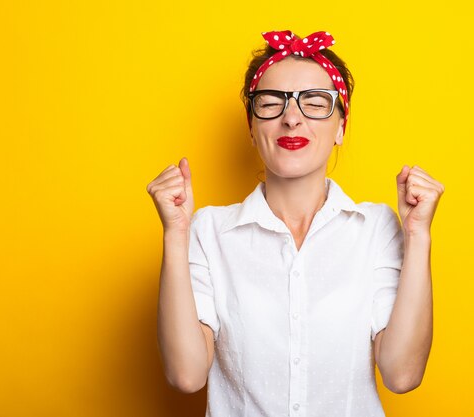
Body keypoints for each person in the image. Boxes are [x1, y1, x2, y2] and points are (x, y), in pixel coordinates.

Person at [146, 30, 444, 417]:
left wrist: (418, 234)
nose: (291, 118)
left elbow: (402, 374)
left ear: (340, 127)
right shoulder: (208, 232)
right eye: (270, 103)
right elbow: (186, 374)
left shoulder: (375, 228)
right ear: (252, 128)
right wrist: (175, 232)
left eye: (315, 103)